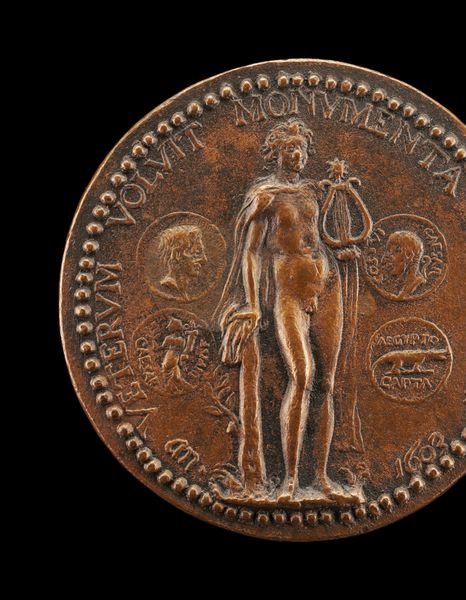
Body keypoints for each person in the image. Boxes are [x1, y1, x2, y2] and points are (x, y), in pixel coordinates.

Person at [215, 118, 351, 503]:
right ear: (275, 152)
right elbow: (250, 252)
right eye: (290, 148)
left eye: (301, 149)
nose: (297, 155)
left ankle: (321, 478)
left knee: (327, 384)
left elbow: (318, 237)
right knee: (302, 376)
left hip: (327, 285)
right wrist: (252, 303)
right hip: (288, 289)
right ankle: (289, 480)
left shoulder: (310, 191)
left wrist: (341, 250)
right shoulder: (266, 196)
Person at [158, 225, 207, 300]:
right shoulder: (170, 287)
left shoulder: (182, 291)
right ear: (177, 256)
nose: (204, 260)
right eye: (196, 254)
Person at [381, 230, 426, 299]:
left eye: (395, 252)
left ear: (409, 256)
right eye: (389, 252)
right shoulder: (398, 283)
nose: (387, 258)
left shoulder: (417, 283)